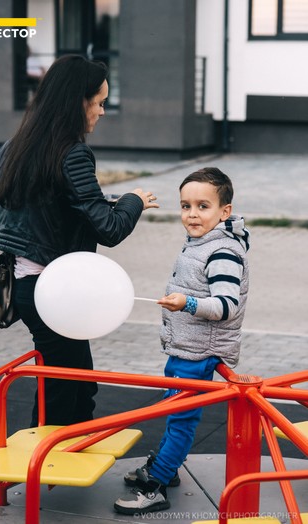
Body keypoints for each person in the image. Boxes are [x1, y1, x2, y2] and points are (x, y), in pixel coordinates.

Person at [0, 54, 159, 427]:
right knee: (66, 390)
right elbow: (109, 229)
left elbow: (52, 211)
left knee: (72, 386)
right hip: (55, 292)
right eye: (98, 103)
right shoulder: (72, 154)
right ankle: (45, 470)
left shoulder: (14, 147)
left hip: (27, 285)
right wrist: (134, 201)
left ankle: (53, 466)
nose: (101, 112)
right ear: (77, 102)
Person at [114, 167, 250, 515]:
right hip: (185, 348)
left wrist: (185, 302)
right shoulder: (203, 242)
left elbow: (226, 305)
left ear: (225, 212)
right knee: (176, 413)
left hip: (198, 353)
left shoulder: (222, 252)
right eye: (185, 206)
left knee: (181, 420)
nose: (192, 214)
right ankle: (166, 469)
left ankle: (155, 485)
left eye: (203, 206)